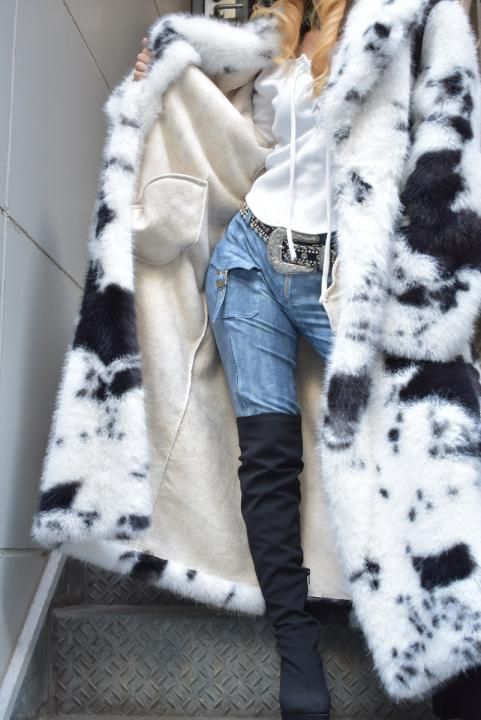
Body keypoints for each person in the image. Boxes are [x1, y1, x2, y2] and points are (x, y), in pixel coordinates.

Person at [133, 2, 481, 719]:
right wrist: (162, 74)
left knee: (412, 451)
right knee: (267, 461)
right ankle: (296, 650)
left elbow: (451, 145)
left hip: (348, 279)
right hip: (249, 260)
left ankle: (450, 646)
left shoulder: (409, 20)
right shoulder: (274, 35)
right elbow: (233, 133)